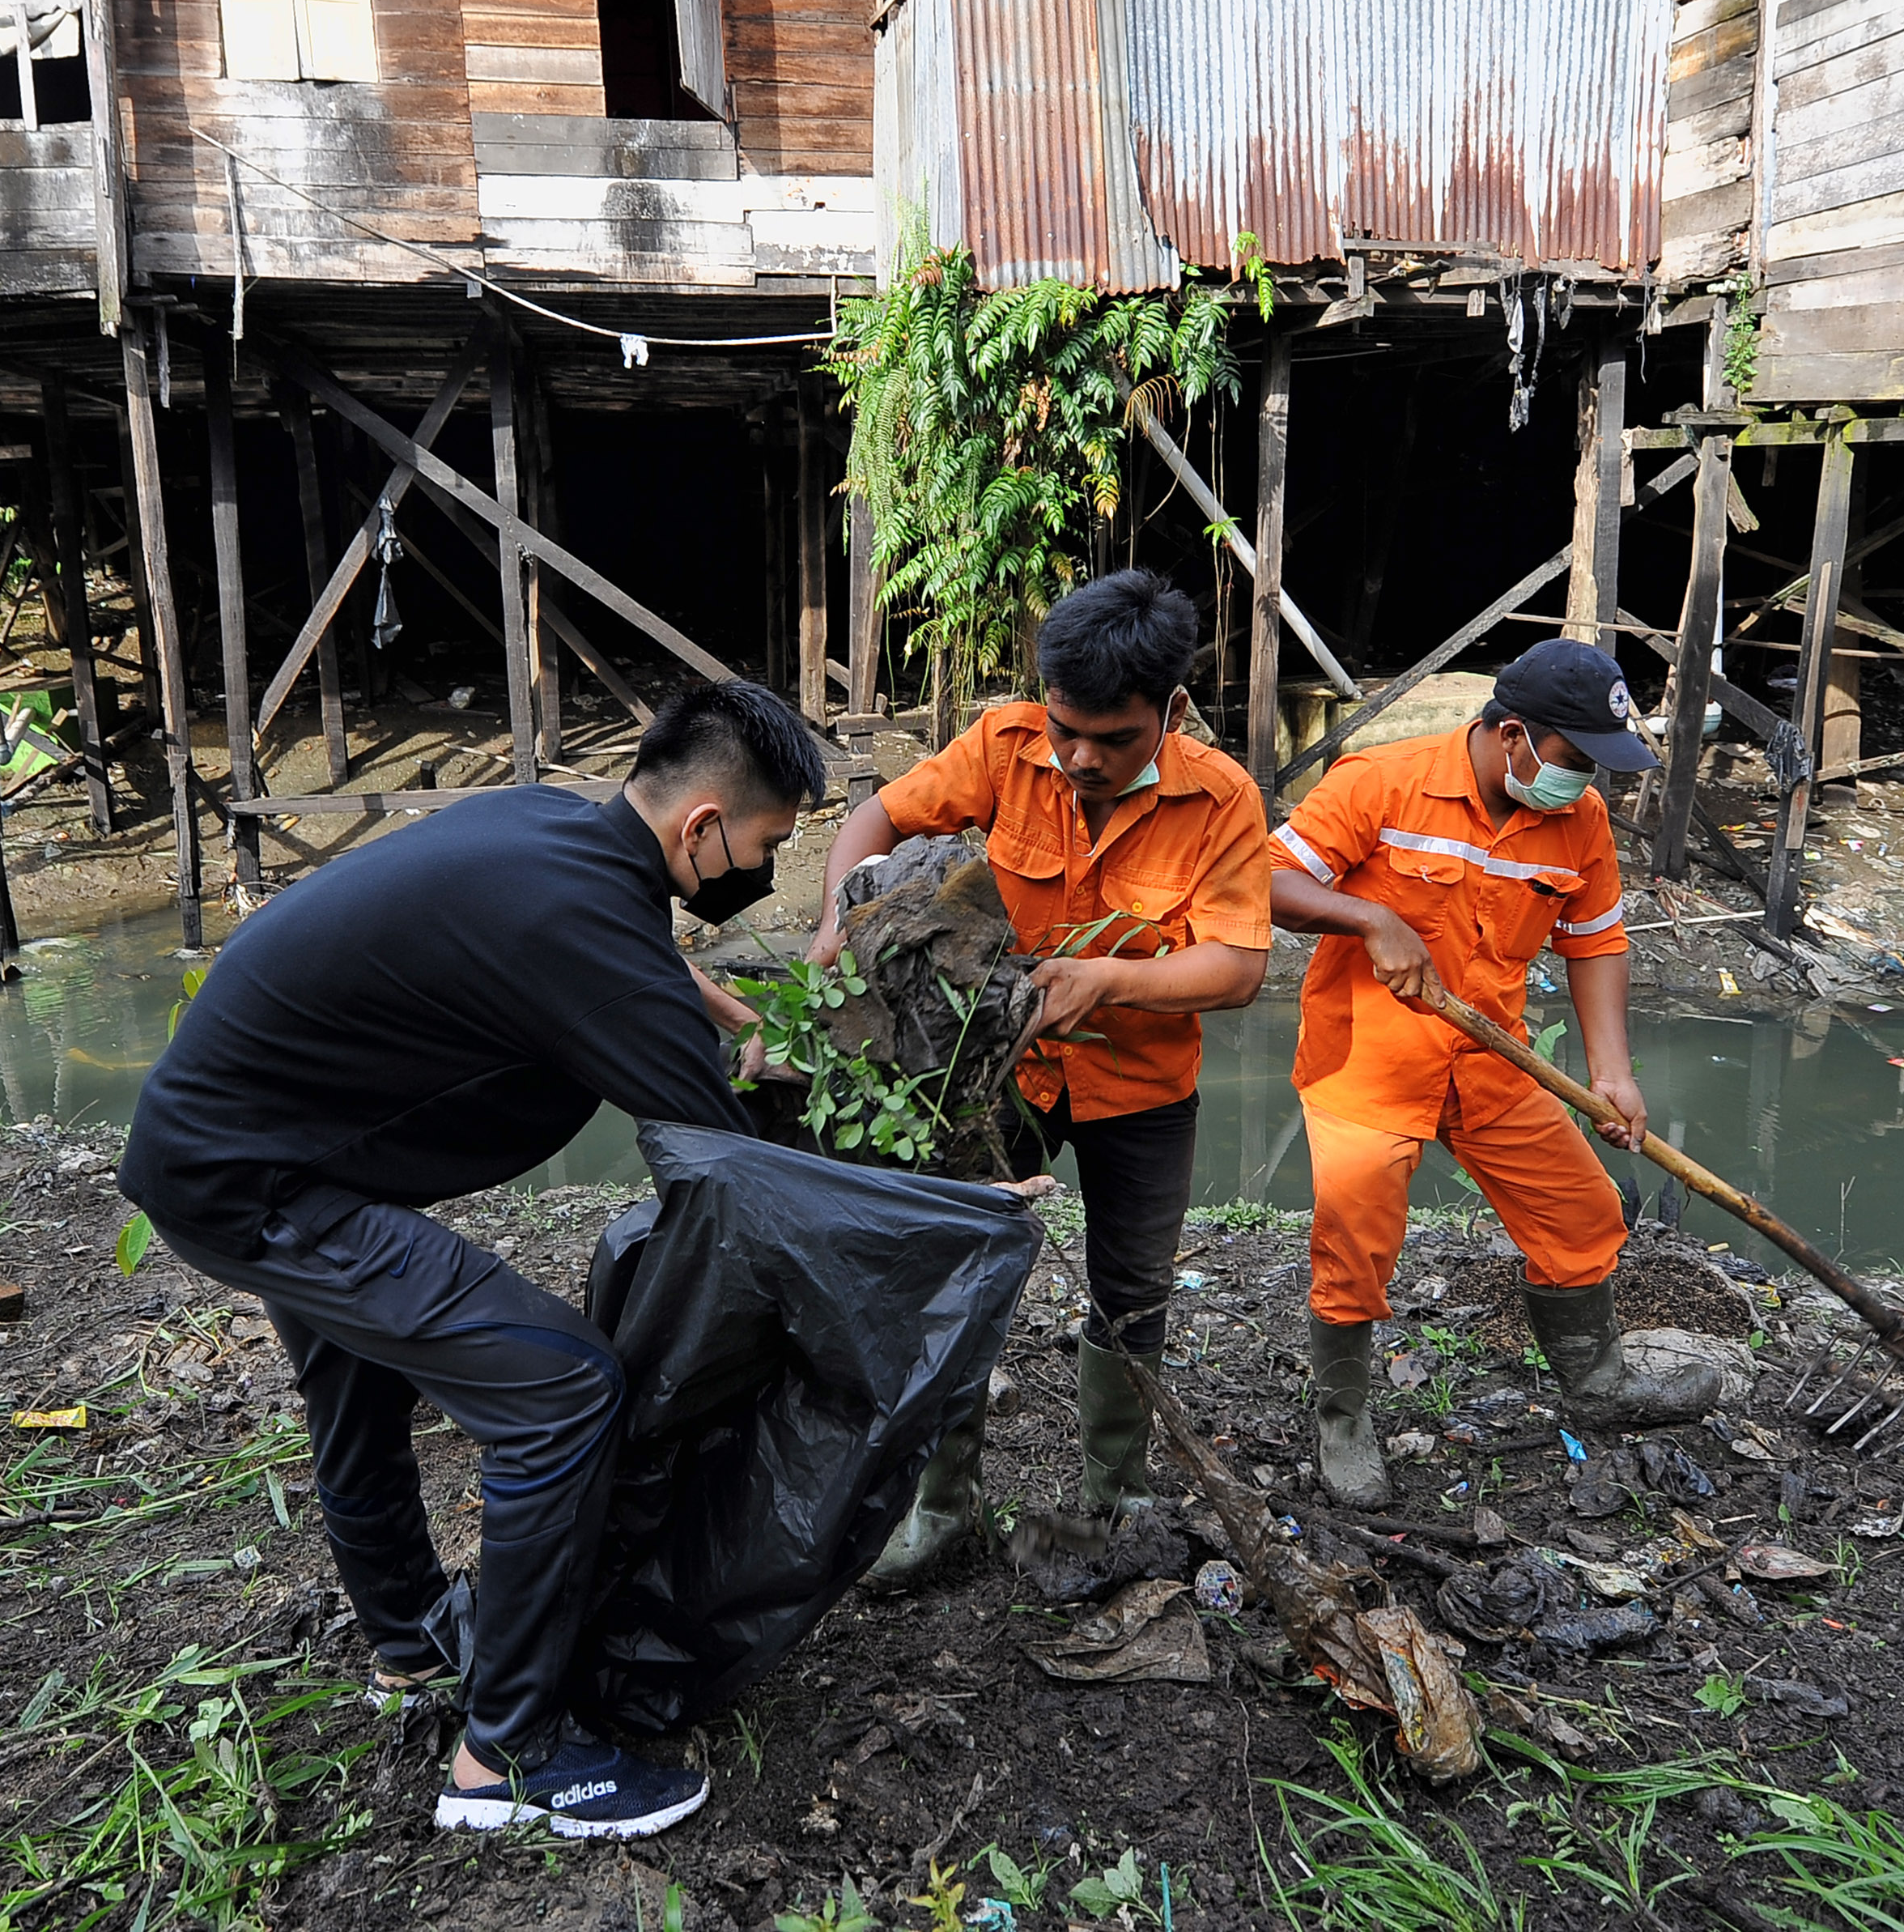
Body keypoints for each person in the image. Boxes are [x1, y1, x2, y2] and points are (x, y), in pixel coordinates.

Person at [117, 681, 819, 1841]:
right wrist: (942, 1192)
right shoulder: (587, 924)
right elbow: (731, 1164)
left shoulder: (562, 833)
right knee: (562, 1392)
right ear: (703, 827)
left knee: (357, 1372)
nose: (766, 868)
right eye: (766, 842)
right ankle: (512, 1756)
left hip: (234, 1145)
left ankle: (406, 1642)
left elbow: (619, 958)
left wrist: (714, 1005)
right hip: (268, 1185)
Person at [810, 570, 1269, 1582]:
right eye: (1067, 731)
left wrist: (1106, 977)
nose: (1079, 759)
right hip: (991, 1073)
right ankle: (942, 1511)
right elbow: (879, 819)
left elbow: (1237, 968)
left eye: (1113, 739)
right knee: (952, 1270)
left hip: (1139, 1089)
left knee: (1131, 1293)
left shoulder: (1222, 798)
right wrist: (834, 927)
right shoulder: (1006, 743)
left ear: (1173, 712)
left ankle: (1114, 1506)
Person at [1269, 638, 1720, 1506]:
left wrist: (1612, 1074)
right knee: (1355, 1249)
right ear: (1511, 734)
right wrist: (1366, 917)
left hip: (1492, 1058)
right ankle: (1343, 1421)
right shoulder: (1379, 783)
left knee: (1582, 1216)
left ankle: (1597, 1380)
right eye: (1575, 759)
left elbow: (1594, 945)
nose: (1585, 781)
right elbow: (1263, 880)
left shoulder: (1577, 823)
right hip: (1369, 1060)